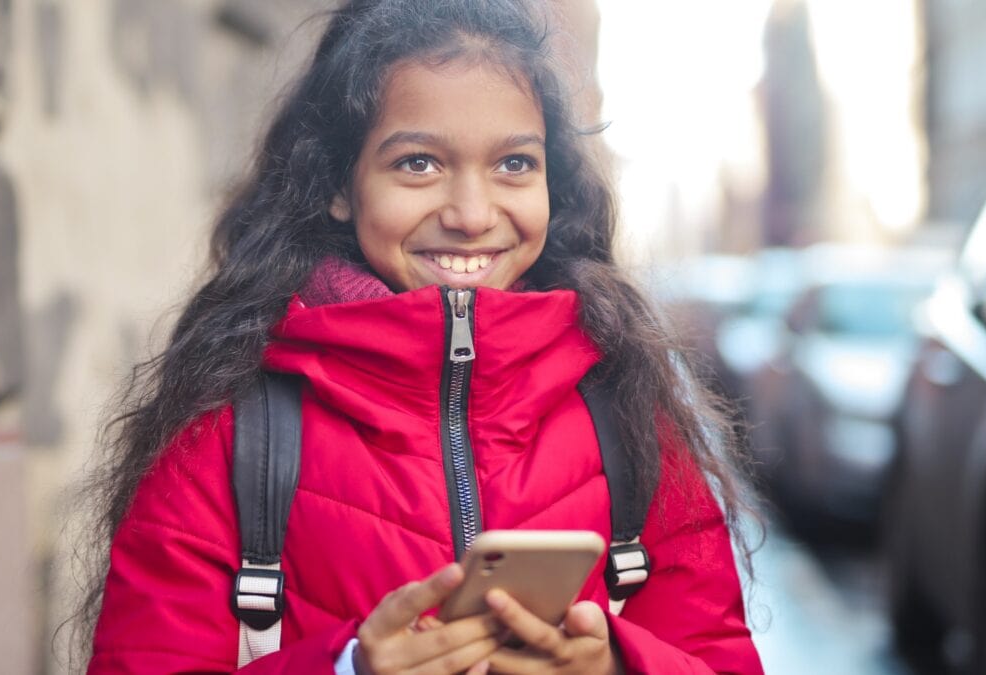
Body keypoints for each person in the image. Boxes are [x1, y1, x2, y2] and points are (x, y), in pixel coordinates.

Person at [77, 1, 764, 673]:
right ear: (340, 185)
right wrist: (349, 667)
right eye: (418, 164)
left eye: (515, 164)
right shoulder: (228, 429)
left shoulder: (627, 412)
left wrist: (617, 664)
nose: (471, 213)